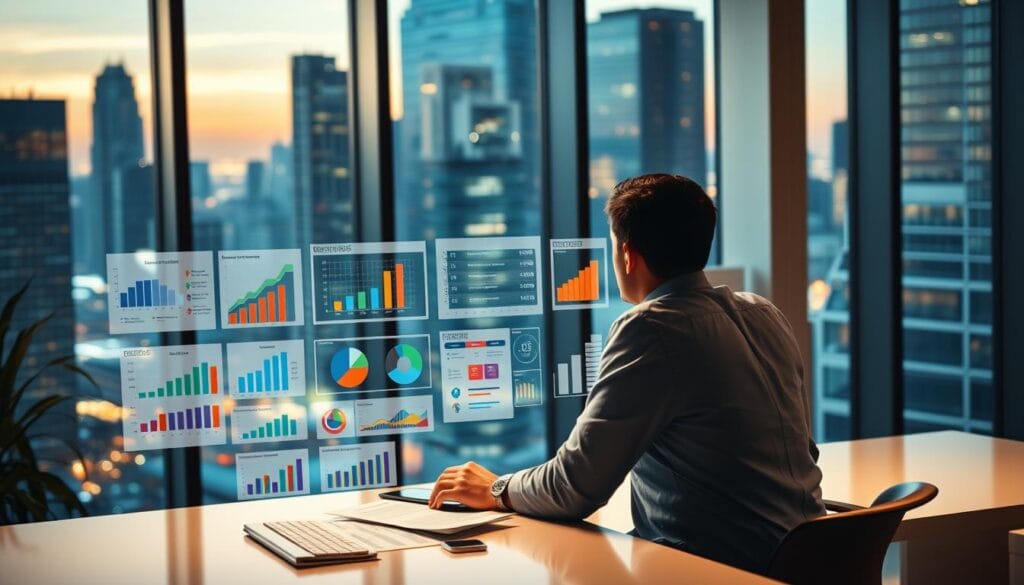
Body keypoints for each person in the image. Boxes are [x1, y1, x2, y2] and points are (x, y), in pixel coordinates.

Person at [428, 173, 825, 573]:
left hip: (722, 570)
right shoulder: (762, 312)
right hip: (811, 554)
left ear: (628, 255)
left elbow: (575, 487)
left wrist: (496, 488)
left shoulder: (652, 328)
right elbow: (802, 451)